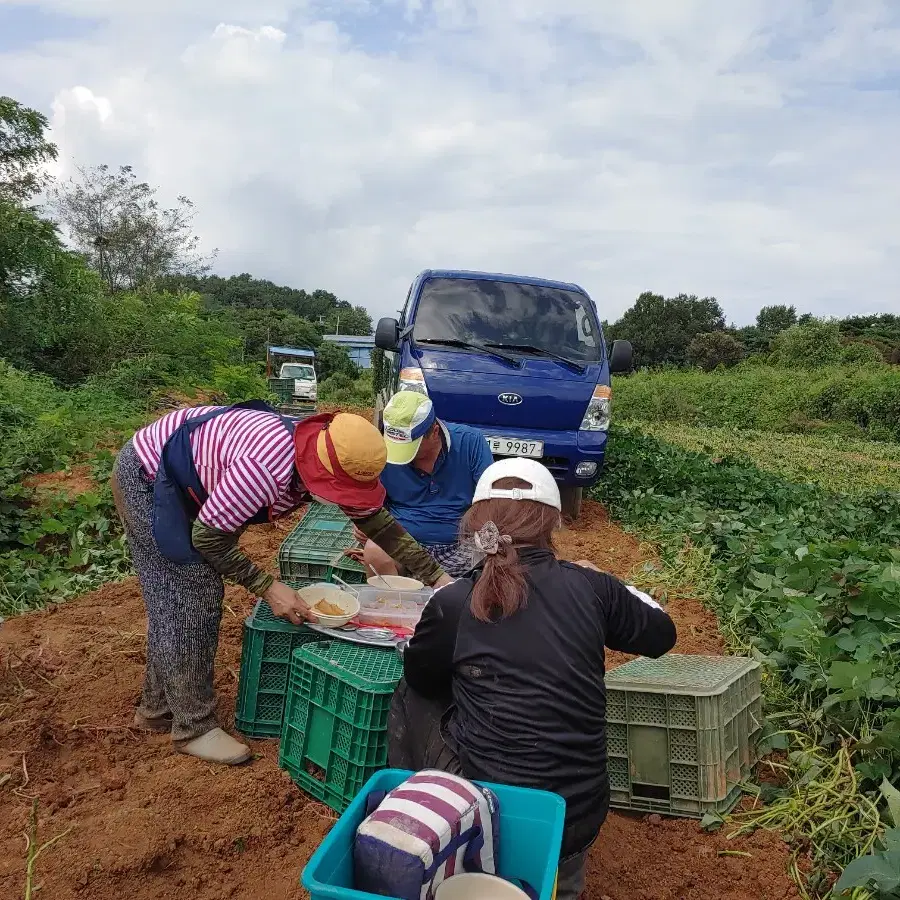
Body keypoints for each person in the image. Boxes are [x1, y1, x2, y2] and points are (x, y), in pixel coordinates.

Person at [388, 457, 677, 900]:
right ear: (552, 524)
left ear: (475, 523)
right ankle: (560, 882)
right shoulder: (591, 589)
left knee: (414, 688)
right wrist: (604, 579)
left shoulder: (454, 602)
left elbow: (423, 679)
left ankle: (432, 819)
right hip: (577, 816)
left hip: (489, 815)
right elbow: (662, 634)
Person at [112, 402, 451, 766]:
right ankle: (193, 727)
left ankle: (157, 708)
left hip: (196, 478)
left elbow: (380, 526)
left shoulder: (323, 453)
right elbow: (209, 539)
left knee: (178, 597)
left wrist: (439, 579)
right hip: (149, 477)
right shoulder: (264, 470)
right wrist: (268, 586)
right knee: (191, 591)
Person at [358, 391, 494, 578]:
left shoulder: (470, 442)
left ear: (434, 432)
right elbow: (372, 503)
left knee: (500, 556)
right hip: (405, 542)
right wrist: (365, 525)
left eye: (410, 448)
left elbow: (490, 500)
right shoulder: (382, 452)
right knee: (374, 551)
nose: (403, 457)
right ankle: (394, 605)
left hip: (462, 544)